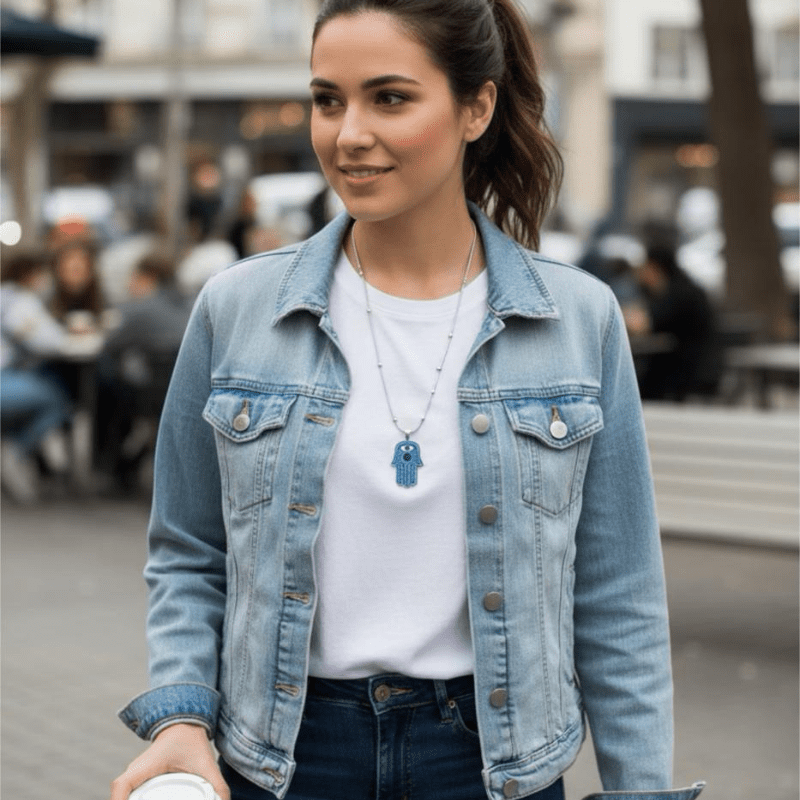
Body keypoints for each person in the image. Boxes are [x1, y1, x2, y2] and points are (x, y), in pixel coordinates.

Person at [111, 3, 706, 800]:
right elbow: (188, 549)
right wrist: (181, 719)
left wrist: (639, 790)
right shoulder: (237, 308)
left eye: (389, 98)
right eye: (328, 99)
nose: (348, 132)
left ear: (476, 107)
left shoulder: (577, 319)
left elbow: (617, 594)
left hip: (493, 765)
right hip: (282, 757)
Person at [94, 250, 193, 493]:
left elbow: (109, 345)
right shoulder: (192, 302)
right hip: (189, 393)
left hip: (154, 394)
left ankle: (110, 466)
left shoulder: (142, 310)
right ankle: (125, 465)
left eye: (134, 277)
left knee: (107, 387)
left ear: (148, 277)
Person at [0, 250, 73, 502]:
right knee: (57, 399)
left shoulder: (4, 295)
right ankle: (15, 452)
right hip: (4, 380)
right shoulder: (20, 302)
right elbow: (48, 341)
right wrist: (72, 334)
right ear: (30, 275)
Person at [636, 244, 722, 401]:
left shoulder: (679, 293)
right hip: (692, 364)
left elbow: (645, 324)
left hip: (690, 370)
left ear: (655, 267)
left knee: (641, 384)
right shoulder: (684, 286)